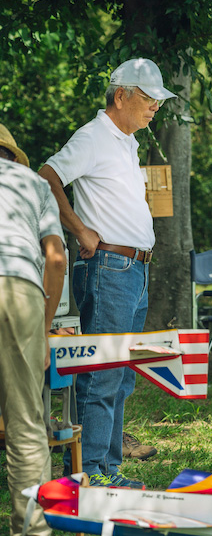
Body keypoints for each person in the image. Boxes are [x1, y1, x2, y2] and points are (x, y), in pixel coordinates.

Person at [38, 58, 176, 488]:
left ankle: (107, 469)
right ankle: (89, 475)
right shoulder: (95, 135)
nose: (156, 107)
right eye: (150, 98)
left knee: (121, 374)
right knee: (103, 373)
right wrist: (78, 228)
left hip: (132, 269)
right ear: (122, 95)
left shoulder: (124, 140)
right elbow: (46, 176)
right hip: (110, 267)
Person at [0, 123, 66, 536]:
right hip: (19, 288)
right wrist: (43, 331)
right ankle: (32, 530)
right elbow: (56, 259)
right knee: (26, 421)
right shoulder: (32, 183)